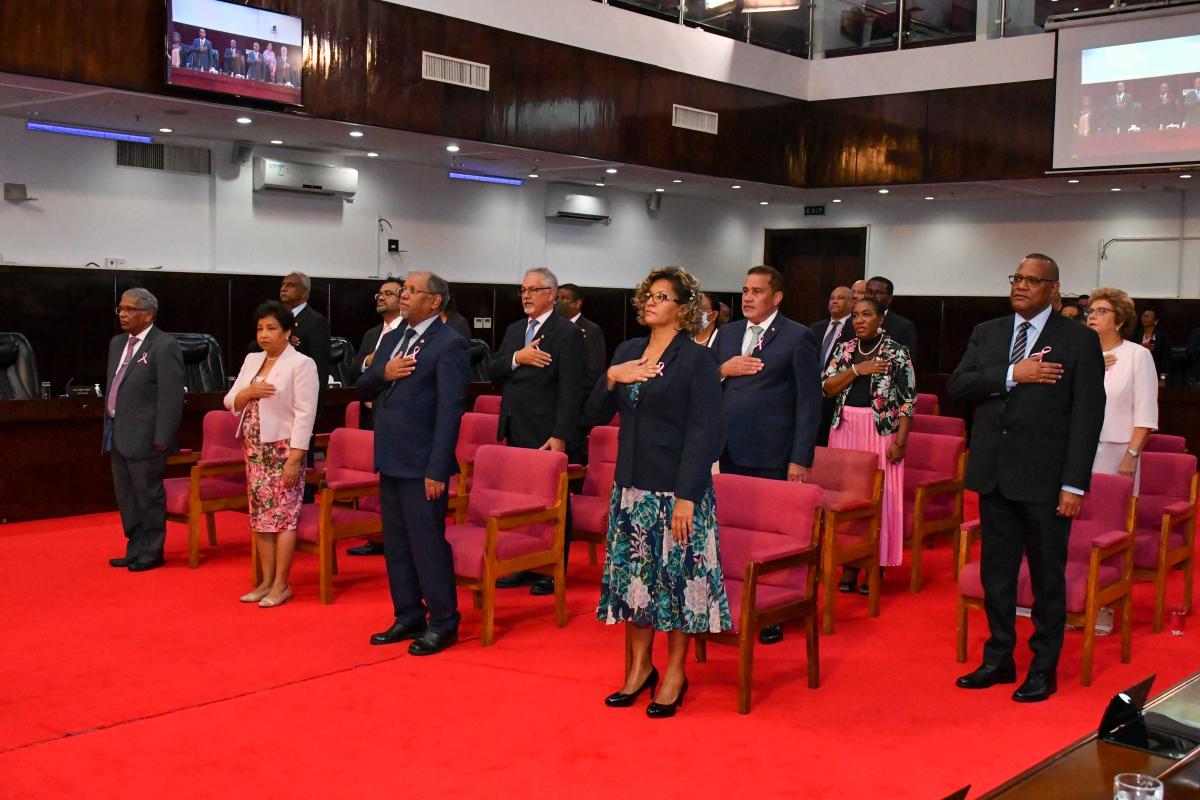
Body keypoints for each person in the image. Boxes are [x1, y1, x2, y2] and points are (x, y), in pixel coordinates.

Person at [949, 253, 1105, 703]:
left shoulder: (1077, 340)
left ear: (1054, 289)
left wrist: (1074, 484)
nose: (1020, 286)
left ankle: (1043, 667)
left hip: (1045, 480)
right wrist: (1015, 374)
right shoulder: (989, 332)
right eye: (1016, 278)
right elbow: (960, 385)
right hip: (994, 475)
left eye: (1032, 281)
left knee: (1046, 579)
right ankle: (999, 659)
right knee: (997, 577)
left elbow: (1086, 417)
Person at [587, 266, 728, 718]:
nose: (650, 301)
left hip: (676, 492)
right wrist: (613, 375)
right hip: (631, 489)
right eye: (648, 294)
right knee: (636, 585)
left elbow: (706, 431)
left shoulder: (696, 359)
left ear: (683, 308)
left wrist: (687, 496)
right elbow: (590, 414)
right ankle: (640, 669)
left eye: (662, 296)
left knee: (678, 585)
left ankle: (674, 674)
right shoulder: (629, 350)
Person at [357, 271, 468, 656]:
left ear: (434, 300)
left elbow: (450, 411)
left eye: (411, 291)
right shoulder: (395, 337)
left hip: (423, 464)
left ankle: (443, 621)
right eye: (403, 290)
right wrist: (382, 372)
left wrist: (438, 469)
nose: (403, 296)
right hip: (390, 457)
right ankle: (408, 613)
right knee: (397, 545)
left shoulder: (449, 344)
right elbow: (364, 387)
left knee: (426, 545)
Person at [714, 265, 821, 645]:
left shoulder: (797, 337)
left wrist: (799, 458)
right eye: (744, 289)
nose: (747, 297)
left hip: (773, 451)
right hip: (729, 447)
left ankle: (772, 606)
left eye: (757, 291)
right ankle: (731, 598)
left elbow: (809, 402)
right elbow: (706, 379)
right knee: (734, 527)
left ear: (776, 297)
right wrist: (723, 369)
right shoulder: (726, 334)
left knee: (770, 532)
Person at [486, 267, 586, 596]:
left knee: (553, 502)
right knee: (521, 502)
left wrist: (561, 434)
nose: (526, 295)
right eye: (523, 290)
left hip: (546, 431)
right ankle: (524, 562)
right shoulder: (516, 329)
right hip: (515, 426)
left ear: (552, 295)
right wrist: (518, 357)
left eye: (534, 289)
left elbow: (572, 390)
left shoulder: (566, 333)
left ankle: (553, 567)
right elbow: (494, 369)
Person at [225, 302, 318, 608]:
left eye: (271, 328)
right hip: (254, 452)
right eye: (260, 329)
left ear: (288, 332)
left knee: (284, 519)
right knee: (260, 519)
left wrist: (295, 457)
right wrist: (248, 393)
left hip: (282, 451)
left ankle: (281, 585)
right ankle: (265, 581)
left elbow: (306, 414)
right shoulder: (253, 359)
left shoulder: (301, 364)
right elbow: (230, 400)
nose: (264, 335)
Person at [821, 297, 916, 593]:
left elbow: (907, 400)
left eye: (867, 315)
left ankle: (876, 563)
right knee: (848, 499)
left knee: (880, 498)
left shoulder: (897, 352)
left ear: (881, 318)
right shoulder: (845, 349)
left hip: (880, 433)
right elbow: (827, 388)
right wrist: (857, 370)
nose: (859, 320)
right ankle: (849, 564)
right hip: (845, 428)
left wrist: (901, 441)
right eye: (855, 316)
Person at [104, 289, 185, 572]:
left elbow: (171, 396)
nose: (122, 314)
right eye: (120, 309)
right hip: (117, 431)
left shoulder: (164, 346)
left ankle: (152, 551)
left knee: (147, 494)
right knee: (126, 495)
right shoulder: (117, 344)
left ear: (148, 314)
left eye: (129, 309)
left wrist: (163, 437)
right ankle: (134, 547)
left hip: (148, 436)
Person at [345, 277, 405, 557]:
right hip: (368, 417)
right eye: (379, 294)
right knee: (372, 478)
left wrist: (374, 372)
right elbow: (354, 367)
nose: (381, 298)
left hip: (393, 417)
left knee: (391, 481)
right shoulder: (372, 333)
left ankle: (393, 536)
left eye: (389, 293)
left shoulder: (407, 332)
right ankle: (374, 534)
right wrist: (369, 362)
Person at [1086, 289, 1158, 494]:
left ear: (1120, 320)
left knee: (1109, 513)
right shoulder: (1081, 355)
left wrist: (1131, 455)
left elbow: (1146, 415)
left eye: (1101, 311)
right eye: (1090, 311)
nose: (1092, 315)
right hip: (1077, 448)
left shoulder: (1137, 355)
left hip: (1116, 450)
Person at [278, 272, 332, 413]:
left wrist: (315, 408)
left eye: (291, 285)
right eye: (283, 284)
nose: (283, 288)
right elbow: (254, 346)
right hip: (276, 397)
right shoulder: (275, 319)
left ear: (305, 294)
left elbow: (320, 368)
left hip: (300, 401)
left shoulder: (316, 322)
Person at [812, 286, 856, 448]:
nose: (835, 301)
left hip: (838, 398)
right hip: (812, 394)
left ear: (853, 303)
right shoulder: (815, 328)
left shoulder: (856, 329)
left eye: (840, 298)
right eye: (832, 298)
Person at [557, 283, 607, 391]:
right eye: (558, 298)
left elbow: (595, 371)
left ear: (577, 303)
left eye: (565, 298)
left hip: (578, 396)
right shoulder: (551, 327)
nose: (559, 302)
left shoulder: (591, 330)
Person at [866, 276, 918, 362]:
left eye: (879, 293)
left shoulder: (903, 326)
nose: (872, 297)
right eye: (869, 292)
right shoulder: (851, 322)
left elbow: (908, 360)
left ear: (890, 298)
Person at [1129, 307, 1171, 380]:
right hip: (1136, 371)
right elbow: (1127, 350)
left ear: (1156, 321)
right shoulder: (1135, 333)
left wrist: (1163, 378)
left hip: (1155, 371)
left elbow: (1165, 357)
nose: (1144, 318)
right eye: (1143, 315)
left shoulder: (1162, 335)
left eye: (1148, 316)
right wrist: (1140, 347)